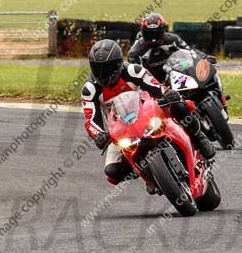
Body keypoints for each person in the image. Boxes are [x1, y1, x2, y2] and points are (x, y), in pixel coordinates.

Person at [82, 39, 215, 187]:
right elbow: (91, 119)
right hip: (121, 130)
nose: (103, 74)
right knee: (112, 172)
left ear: (118, 63)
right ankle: (150, 176)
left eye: (108, 68)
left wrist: (167, 94)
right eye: (97, 68)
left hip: (149, 114)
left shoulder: (133, 71)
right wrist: (99, 134)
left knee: (180, 105)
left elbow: (156, 86)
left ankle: (199, 137)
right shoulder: (90, 89)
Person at [127, 13, 193, 82]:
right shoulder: (134, 53)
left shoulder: (173, 39)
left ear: (162, 30)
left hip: (175, 77)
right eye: (150, 33)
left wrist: (184, 64)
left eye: (156, 33)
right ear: (143, 32)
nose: (153, 37)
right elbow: (136, 76)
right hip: (151, 83)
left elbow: (190, 54)